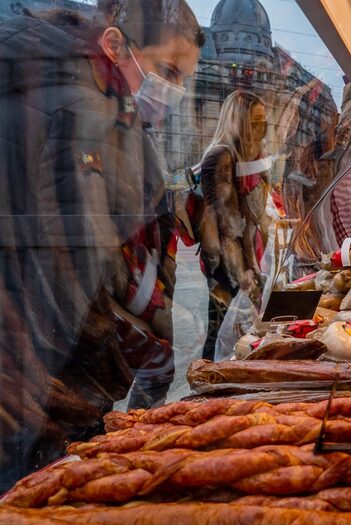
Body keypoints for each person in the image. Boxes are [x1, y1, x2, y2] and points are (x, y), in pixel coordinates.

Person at [0, 0, 203, 488]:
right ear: (115, 45)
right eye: (167, 71)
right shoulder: (76, 105)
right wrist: (144, 341)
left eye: (183, 79)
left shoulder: (110, 102)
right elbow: (75, 259)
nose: (173, 91)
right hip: (37, 369)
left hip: (55, 367)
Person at [197, 90, 271, 360]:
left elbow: (252, 219)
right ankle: (206, 389)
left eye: (263, 121)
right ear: (237, 121)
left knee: (241, 333)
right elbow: (225, 226)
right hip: (227, 266)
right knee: (220, 333)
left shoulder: (252, 156)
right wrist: (242, 273)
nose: (260, 129)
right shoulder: (221, 157)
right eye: (254, 122)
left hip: (249, 258)